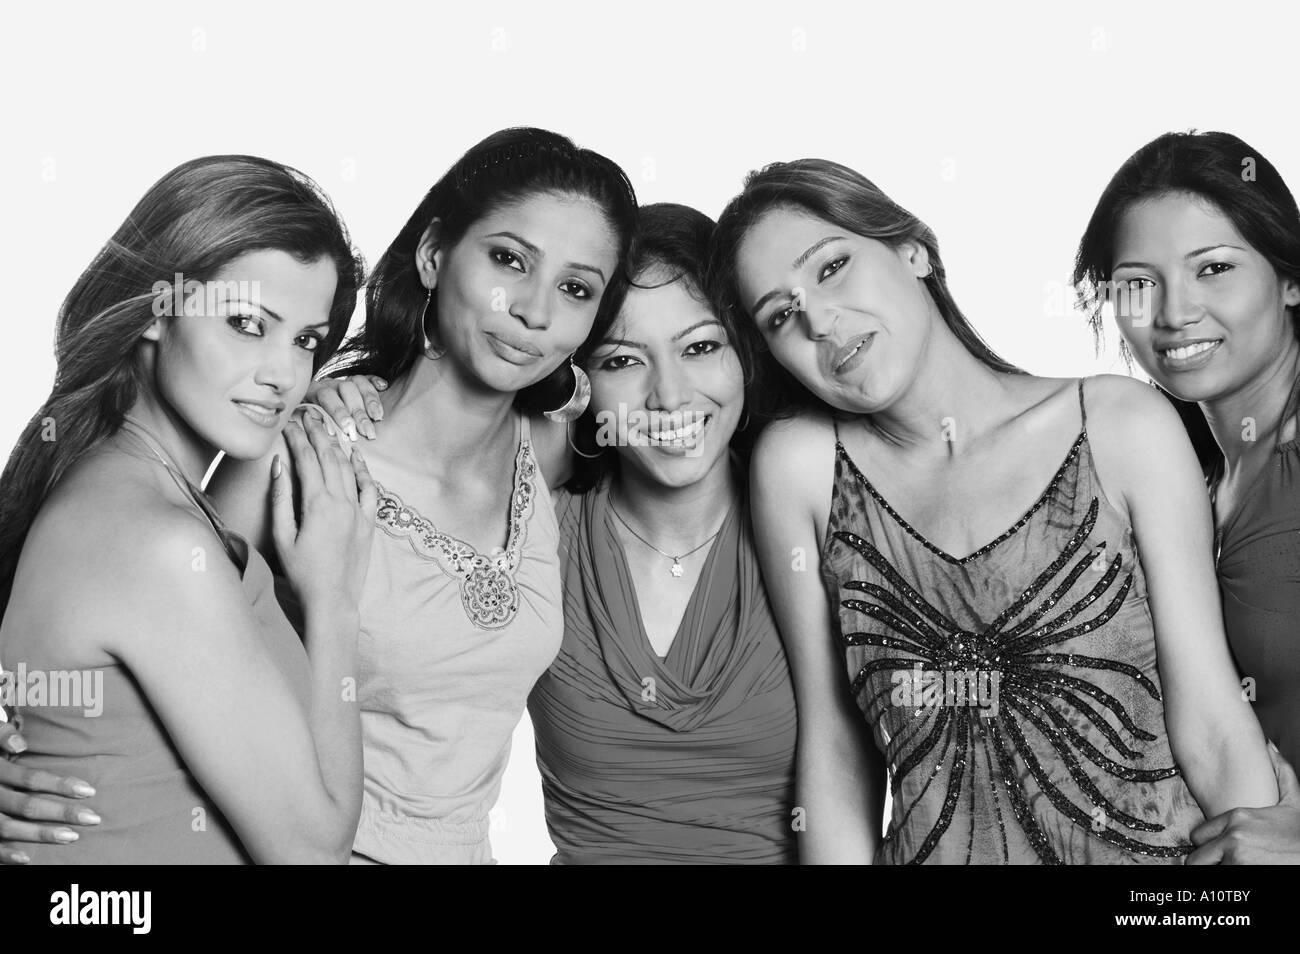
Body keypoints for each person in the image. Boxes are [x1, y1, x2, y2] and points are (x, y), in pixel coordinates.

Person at [0, 128, 637, 866]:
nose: (533, 309)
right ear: (434, 255)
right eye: (508, 260)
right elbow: (118, 616)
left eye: (576, 288)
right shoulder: (293, 457)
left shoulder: (550, 448)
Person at [707, 157, 1279, 863]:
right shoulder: (801, 468)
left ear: (911, 249)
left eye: (831, 268)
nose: (819, 321)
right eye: (780, 314)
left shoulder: (1119, 423)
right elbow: (835, 752)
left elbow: (1214, 723)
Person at [300, 205, 799, 863]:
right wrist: (343, 403)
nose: (670, 396)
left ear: (746, 355)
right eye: (624, 360)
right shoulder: (530, 519)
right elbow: (404, 699)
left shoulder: (804, 509)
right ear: (581, 378)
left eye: (701, 347)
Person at [0, 155, 375, 864]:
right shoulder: (155, 542)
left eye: (306, 341)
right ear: (154, 312)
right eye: (246, 323)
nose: (284, 373)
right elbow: (313, 854)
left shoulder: (136, 494)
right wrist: (335, 599)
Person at [1073, 129, 1300, 864]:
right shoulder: (1174, 480)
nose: (1174, 313)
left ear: (1291, 278)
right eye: (1139, 282)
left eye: (1214, 269)